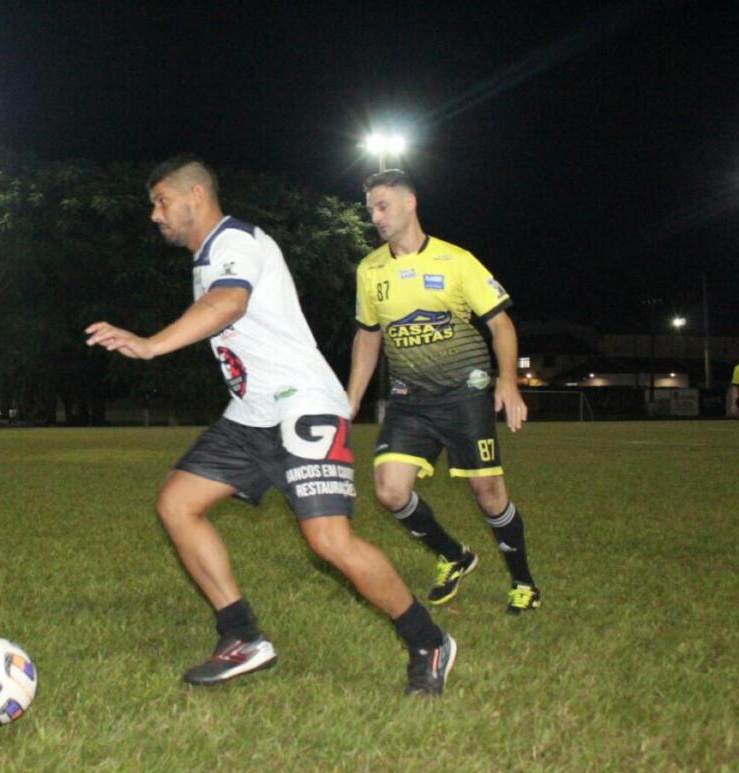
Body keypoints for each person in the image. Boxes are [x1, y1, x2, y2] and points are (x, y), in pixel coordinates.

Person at [86, 156, 456, 695]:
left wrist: (151, 345)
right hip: (252, 413)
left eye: (162, 201)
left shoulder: (235, 242)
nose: (155, 214)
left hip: (303, 404)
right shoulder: (207, 257)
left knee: (329, 540)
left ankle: (428, 641)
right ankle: (242, 636)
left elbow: (228, 303)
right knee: (177, 503)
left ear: (196, 195)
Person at [346, 169, 541, 614]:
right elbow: (368, 336)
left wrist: (508, 381)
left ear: (409, 202)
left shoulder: (456, 261)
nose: (376, 217)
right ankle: (453, 555)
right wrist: (352, 397)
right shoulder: (370, 269)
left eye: (383, 206)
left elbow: (501, 324)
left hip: (463, 394)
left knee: (488, 492)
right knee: (389, 491)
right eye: (371, 210)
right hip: (409, 399)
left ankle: (524, 583)